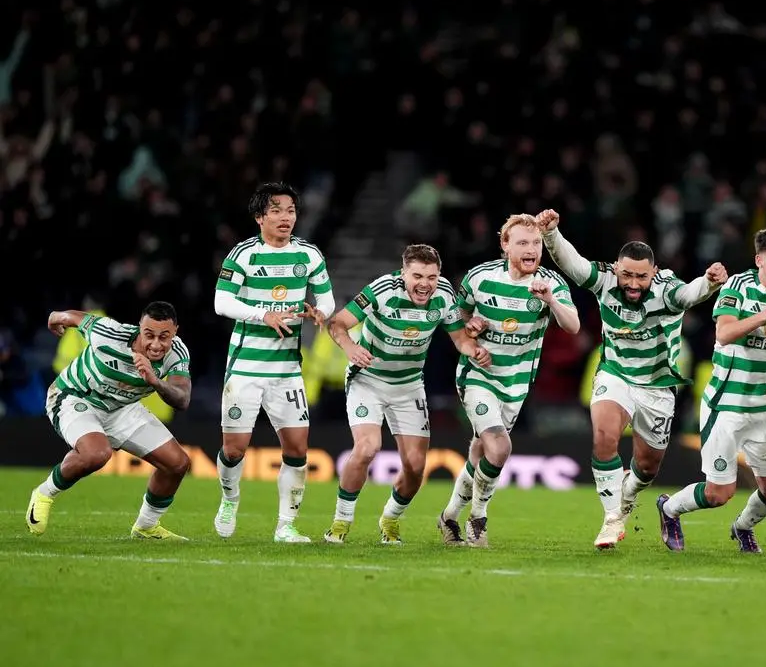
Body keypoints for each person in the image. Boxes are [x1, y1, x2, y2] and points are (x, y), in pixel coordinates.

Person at [536, 208, 727, 548]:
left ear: (654, 272)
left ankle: (627, 495)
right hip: (616, 374)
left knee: (648, 466)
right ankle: (612, 519)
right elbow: (573, 262)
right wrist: (551, 234)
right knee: (604, 436)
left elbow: (689, 294)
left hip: (656, 387)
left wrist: (709, 284)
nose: (634, 284)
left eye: (642, 277)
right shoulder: (605, 280)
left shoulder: (667, 290)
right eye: (627, 275)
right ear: (617, 268)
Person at [322, 244, 492, 545]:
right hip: (369, 381)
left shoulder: (444, 295)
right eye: (417, 276)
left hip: (409, 385)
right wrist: (351, 348)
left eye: (431, 276)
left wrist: (474, 350)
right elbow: (337, 323)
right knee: (366, 448)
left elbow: (459, 339)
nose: (425, 284)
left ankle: (390, 519)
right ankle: (340, 523)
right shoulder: (383, 289)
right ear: (403, 274)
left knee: (415, 468)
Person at [650, 228, 766, 553]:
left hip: (764, 408)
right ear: (760, 260)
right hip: (726, 405)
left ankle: (743, 527)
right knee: (719, 494)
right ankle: (669, 508)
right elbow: (724, 333)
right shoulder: (738, 287)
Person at [437, 214, 582, 548]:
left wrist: (550, 300)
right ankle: (478, 518)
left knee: (479, 452)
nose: (531, 249)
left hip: (516, 384)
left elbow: (573, 326)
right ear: (505, 245)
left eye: (535, 244)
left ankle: (448, 518)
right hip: (478, 376)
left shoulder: (550, 283)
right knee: (499, 447)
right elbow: (456, 316)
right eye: (522, 243)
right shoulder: (479, 277)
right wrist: (471, 335)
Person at [212, 181, 335, 543]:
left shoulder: (309, 255)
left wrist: (318, 311)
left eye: (291, 210)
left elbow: (327, 299)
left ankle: (286, 526)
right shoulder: (243, 255)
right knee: (234, 449)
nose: (286, 217)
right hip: (246, 367)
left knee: (297, 449)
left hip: (286, 369)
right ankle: (230, 499)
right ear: (259, 217)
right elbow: (222, 302)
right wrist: (263, 314)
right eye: (277, 210)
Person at [27, 302, 193, 540]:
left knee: (177, 464)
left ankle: (146, 526)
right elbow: (76, 318)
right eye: (149, 335)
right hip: (75, 397)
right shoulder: (108, 333)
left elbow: (182, 398)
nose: (156, 344)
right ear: (139, 328)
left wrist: (155, 381)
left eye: (164, 337)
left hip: (122, 408)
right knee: (97, 454)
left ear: (175, 331)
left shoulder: (178, 352)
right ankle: (44, 493)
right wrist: (55, 316)